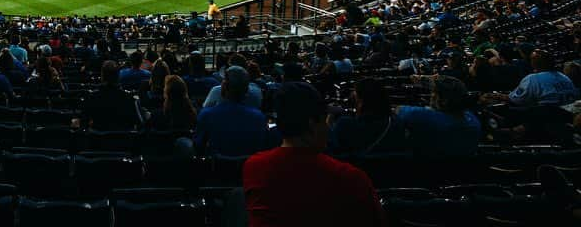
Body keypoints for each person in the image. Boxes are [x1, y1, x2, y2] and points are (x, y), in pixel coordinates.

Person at [243, 82, 386, 227]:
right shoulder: (351, 178)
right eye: (324, 120)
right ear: (312, 124)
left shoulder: (254, 167)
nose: (327, 127)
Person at [194, 66, 272, 156]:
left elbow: (198, 146)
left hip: (215, 168)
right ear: (246, 90)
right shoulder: (259, 117)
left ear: (224, 87)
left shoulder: (207, 115)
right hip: (248, 167)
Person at [395, 75, 480, 157]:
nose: (431, 96)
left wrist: (430, 110)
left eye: (433, 92)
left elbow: (398, 110)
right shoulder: (474, 121)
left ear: (444, 101)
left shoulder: (424, 116)